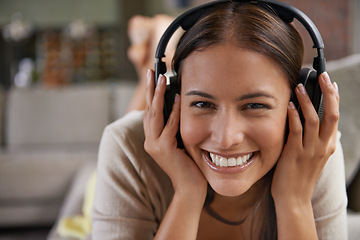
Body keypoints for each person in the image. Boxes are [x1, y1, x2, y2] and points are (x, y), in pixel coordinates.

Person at [92, 1, 347, 239]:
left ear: (302, 105)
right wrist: (187, 194)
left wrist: (294, 201)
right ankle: (149, 63)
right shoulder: (124, 145)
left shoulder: (316, 151)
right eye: (202, 103)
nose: (226, 139)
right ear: (172, 103)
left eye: (255, 105)